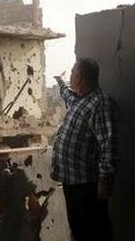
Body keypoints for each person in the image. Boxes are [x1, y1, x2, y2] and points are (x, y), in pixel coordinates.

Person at [51, 58, 118, 241]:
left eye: (72, 72)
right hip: (71, 180)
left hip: (88, 183)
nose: (71, 75)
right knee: (79, 230)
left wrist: (105, 179)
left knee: (95, 231)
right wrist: (60, 81)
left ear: (79, 77)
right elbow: (67, 95)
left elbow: (108, 144)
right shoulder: (81, 100)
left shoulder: (100, 104)